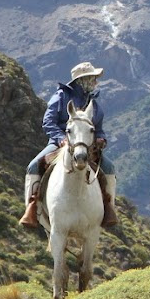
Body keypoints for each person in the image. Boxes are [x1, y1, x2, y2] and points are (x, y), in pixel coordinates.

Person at [19, 61, 119, 229]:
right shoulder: (60, 96)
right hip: (60, 144)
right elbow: (48, 122)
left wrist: (101, 139)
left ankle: (108, 209)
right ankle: (32, 209)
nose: (96, 82)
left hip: (88, 147)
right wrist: (61, 139)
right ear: (83, 80)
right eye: (92, 78)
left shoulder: (94, 104)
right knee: (33, 166)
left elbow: (98, 128)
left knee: (109, 168)